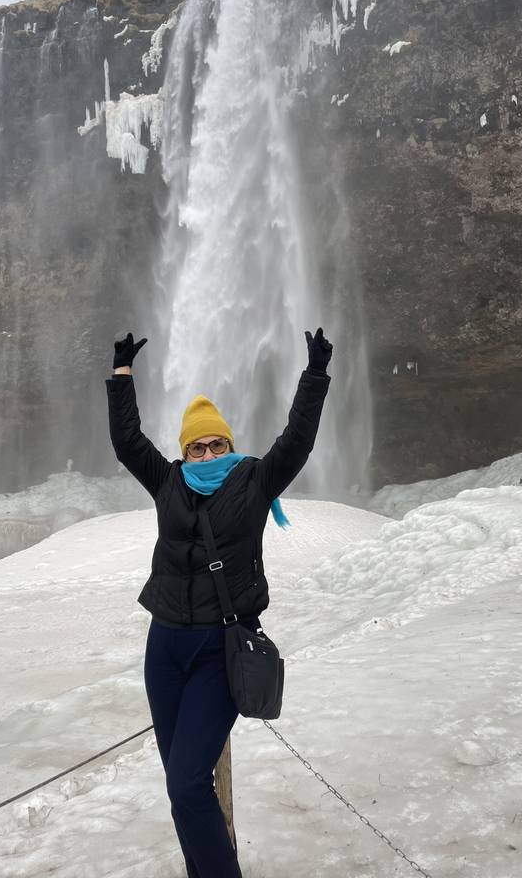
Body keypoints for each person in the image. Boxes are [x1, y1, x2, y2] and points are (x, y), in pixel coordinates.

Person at [105, 328, 332, 878]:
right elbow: (128, 443)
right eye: (196, 446)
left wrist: (315, 373)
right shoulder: (168, 483)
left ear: (230, 446)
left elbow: (297, 440)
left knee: (187, 781)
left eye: (216, 444)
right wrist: (121, 376)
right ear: (184, 452)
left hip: (219, 648)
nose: (207, 453)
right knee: (180, 784)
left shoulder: (254, 481)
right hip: (165, 647)